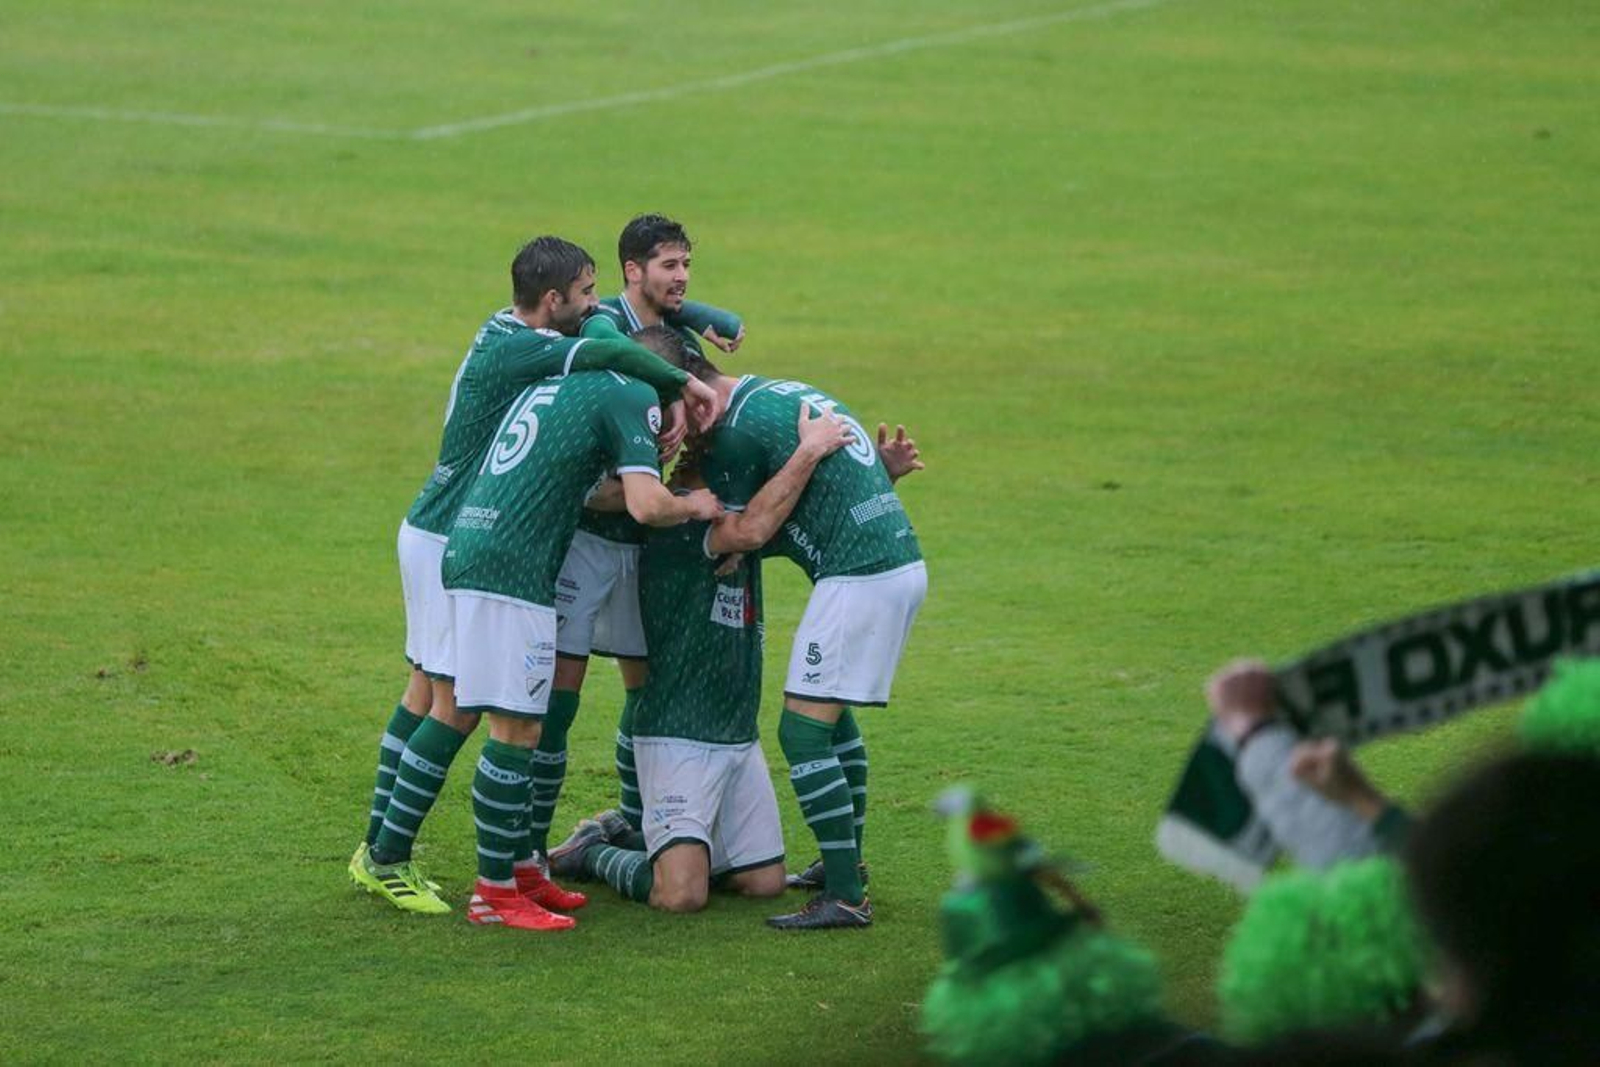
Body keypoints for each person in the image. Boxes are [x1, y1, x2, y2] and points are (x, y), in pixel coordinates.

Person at [349, 236, 715, 916]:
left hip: (451, 526)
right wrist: (682, 382)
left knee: (431, 692)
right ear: (552, 300)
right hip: (455, 533)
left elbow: (606, 321)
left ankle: (446, 856)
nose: (594, 304)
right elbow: (607, 342)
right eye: (583, 293)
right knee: (455, 704)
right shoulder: (533, 349)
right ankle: (389, 854)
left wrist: (699, 313)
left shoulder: (512, 327)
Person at [651, 341, 928, 929]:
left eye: (672, 414)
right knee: (833, 720)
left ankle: (848, 895)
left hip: (860, 576)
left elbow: (746, 529)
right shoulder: (778, 394)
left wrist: (732, 530)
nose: (677, 437)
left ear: (694, 396)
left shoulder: (733, 433)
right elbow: (808, 501)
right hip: (895, 563)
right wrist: (882, 473)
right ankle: (842, 865)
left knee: (800, 734)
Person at [547, 395, 857, 911]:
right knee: (680, 897)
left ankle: (679, 847)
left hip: (736, 736)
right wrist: (809, 451)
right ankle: (593, 851)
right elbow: (755, 526)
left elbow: (789, 520)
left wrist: (881, 478)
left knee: (765, 883)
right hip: (678, 735)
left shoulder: (737, 516)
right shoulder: (684, 522)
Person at [541, 213, 745, 851]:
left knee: (644, 682)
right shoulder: (601, 327)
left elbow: (718, 389)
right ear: (633, 270)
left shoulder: (671, 332)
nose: (681, 277)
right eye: (669, 265)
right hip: (585, 530)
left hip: (640, 536)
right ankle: (526, 849)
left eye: (687, 265)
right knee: (559, 692)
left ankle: (635, 820)